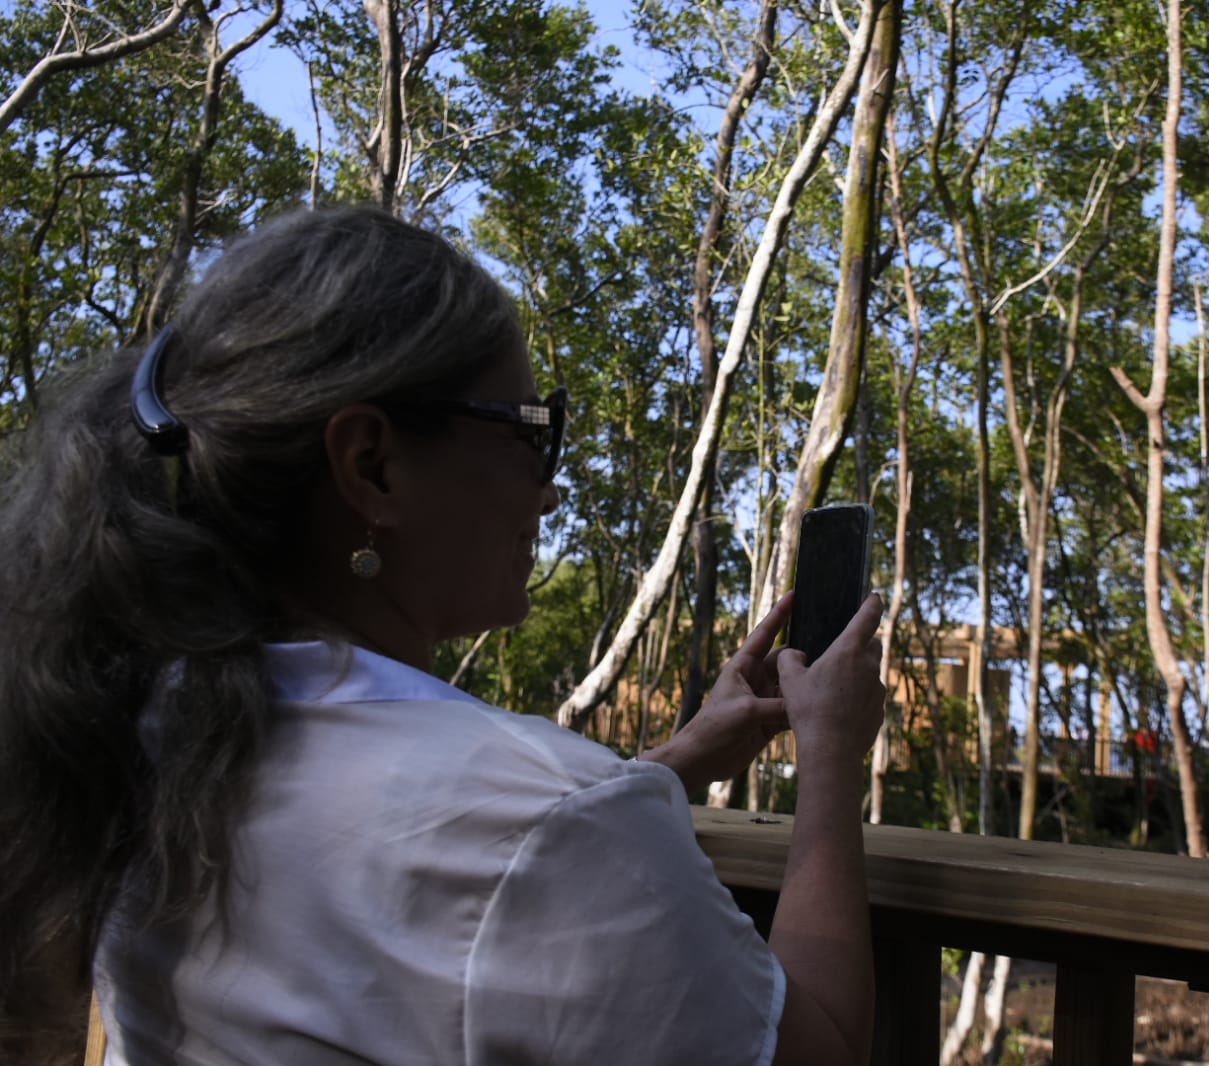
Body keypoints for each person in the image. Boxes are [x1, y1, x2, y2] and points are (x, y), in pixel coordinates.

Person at [0, 205, 886, 1066]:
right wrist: (832, 758)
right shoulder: (548, 823)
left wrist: (679, 759)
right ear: (372, 465)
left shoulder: (136, 724)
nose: (549, 493)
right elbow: (825, 1049)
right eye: (530, 434)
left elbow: (447, 865)